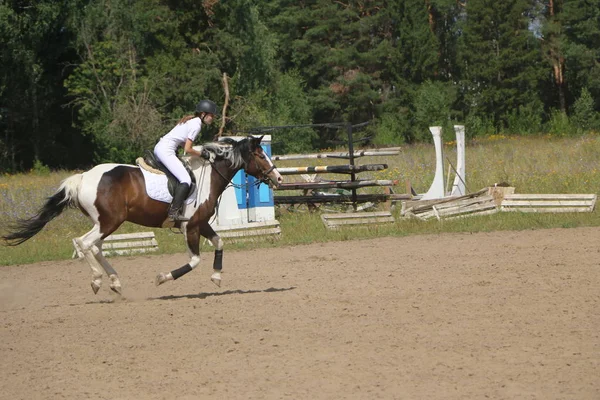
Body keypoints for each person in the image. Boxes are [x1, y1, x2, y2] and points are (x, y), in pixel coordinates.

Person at [154, 99, 218, 221]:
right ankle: (173, 212)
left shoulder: (192, 121)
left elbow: (184, 145)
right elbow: (188, 149)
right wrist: (201, 154)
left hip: (162, 147)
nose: (212, 118)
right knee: (186, 179)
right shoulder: (196, 125)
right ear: (203, 114)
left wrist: (197, 153)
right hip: (166, 150)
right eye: (211, 115)